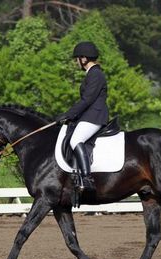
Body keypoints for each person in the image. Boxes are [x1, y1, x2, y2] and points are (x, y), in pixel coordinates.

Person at [56, 41, 109, 192]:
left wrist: (68, 114)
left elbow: (87, 100)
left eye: (77, 58)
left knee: (75, 140)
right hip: (89, 115)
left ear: (84, 59)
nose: (76, 62)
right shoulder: (92, 74)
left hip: (95, 116)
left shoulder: (96, 74)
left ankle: (86, 178)